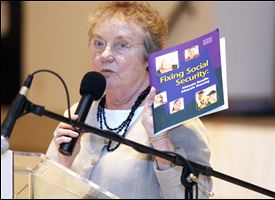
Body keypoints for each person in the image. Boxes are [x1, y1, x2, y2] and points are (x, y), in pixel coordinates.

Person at [46, 2, 212, 199]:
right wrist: (64, 164)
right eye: (99, 43)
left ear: (148, 56)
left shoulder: (176, 119)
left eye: (122, 45)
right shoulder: (77, 113)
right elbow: (44, 191)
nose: (105, 55)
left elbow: (197, 196)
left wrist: (162, 147)